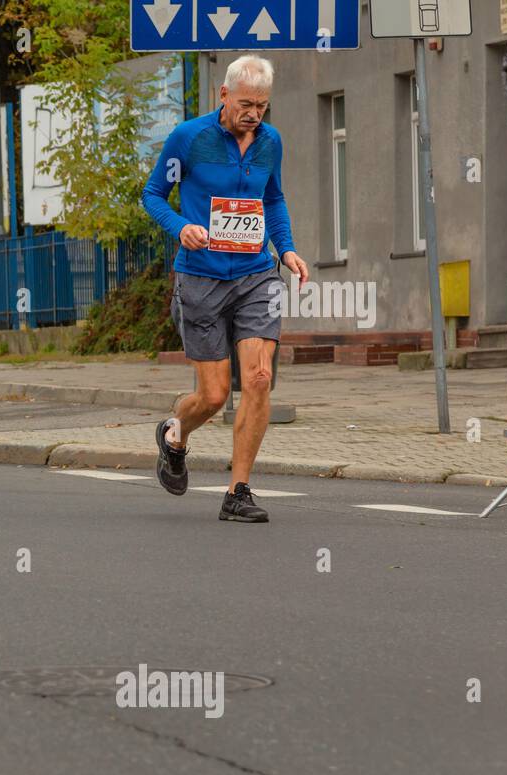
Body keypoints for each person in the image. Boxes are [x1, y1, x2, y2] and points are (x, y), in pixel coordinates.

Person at [141, 55, 309, 524]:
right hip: (200, 277)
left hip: (256, 275)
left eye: (262, 105)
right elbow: (153, 194)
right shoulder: (188, 139)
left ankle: (238, 491)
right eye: (245, 104)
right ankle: (175, 434)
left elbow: (272, 199)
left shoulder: (270, 142)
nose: (254, 113)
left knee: (257, 378)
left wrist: (287, 250)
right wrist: (181, 227)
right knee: (212, 397)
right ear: (223, 95)